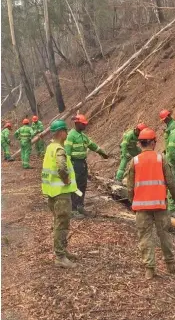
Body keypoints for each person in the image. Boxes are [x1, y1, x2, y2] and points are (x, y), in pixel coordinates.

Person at [127, 127, 175, 280]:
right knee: (165, 235)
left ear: (140, 143)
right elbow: (171, 182)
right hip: (160, 205)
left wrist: (132, 203)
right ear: (153, 143)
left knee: (145, 237)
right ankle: (171, 265)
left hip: (142, 207)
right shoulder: (161, 158)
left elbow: (130, 187)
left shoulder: (134, 161)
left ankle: (149, 269)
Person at [42, 119, 82, 268]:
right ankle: (60, 256)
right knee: (62, 224)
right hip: (61, 194)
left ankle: (63, 251)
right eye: (65, 130)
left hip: (52, 193)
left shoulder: (50, 147)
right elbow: (61, 167)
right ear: (61, 132)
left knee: (59, 222)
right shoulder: (59, 149)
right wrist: (65, 179)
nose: (67, 132)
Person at [65, 114, 108, 217]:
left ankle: (80, 205)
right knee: (75, 186)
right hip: (75, 164)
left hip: (82, 164)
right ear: (77, 123)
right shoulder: (71, 136)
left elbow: (92, 145)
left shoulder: (83, 136)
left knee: (82, 185)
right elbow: (67, 153)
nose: (85, 126)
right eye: (83, 124)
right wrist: (68, 167)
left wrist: (101, 152)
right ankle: (73, 209)